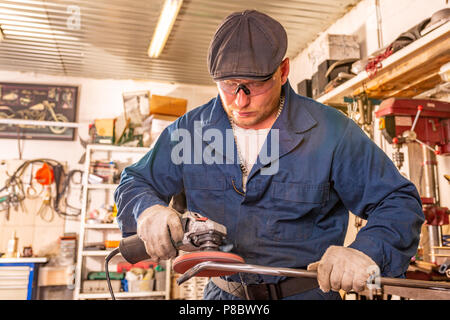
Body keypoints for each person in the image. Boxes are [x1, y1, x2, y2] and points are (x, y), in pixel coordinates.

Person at [114, 10, 424, 300]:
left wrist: (366, 250)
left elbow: (397, 201)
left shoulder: (331, 132)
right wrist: (147, 210)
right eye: (228, 85)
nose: (239, 100)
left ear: (283, 70)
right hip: (224, 295)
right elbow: (134, 182)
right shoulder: (190, 131)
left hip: (304, 293)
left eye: (253, 84)